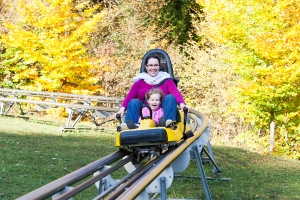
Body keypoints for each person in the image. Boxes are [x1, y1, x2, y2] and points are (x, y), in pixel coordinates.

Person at [116, 54, 188, 130]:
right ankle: (131, 125)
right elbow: (129, 97)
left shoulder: (167, 80)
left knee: (170, 97)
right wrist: (122, 109)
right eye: (150, 65)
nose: (153, 68)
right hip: (145, 113)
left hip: (162, 112)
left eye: (156, 65)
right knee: (133, 102)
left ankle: (168, 122)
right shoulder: (139, 82)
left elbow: (176, 94)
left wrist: (182, 105)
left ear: (159, 66)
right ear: (146, 67)